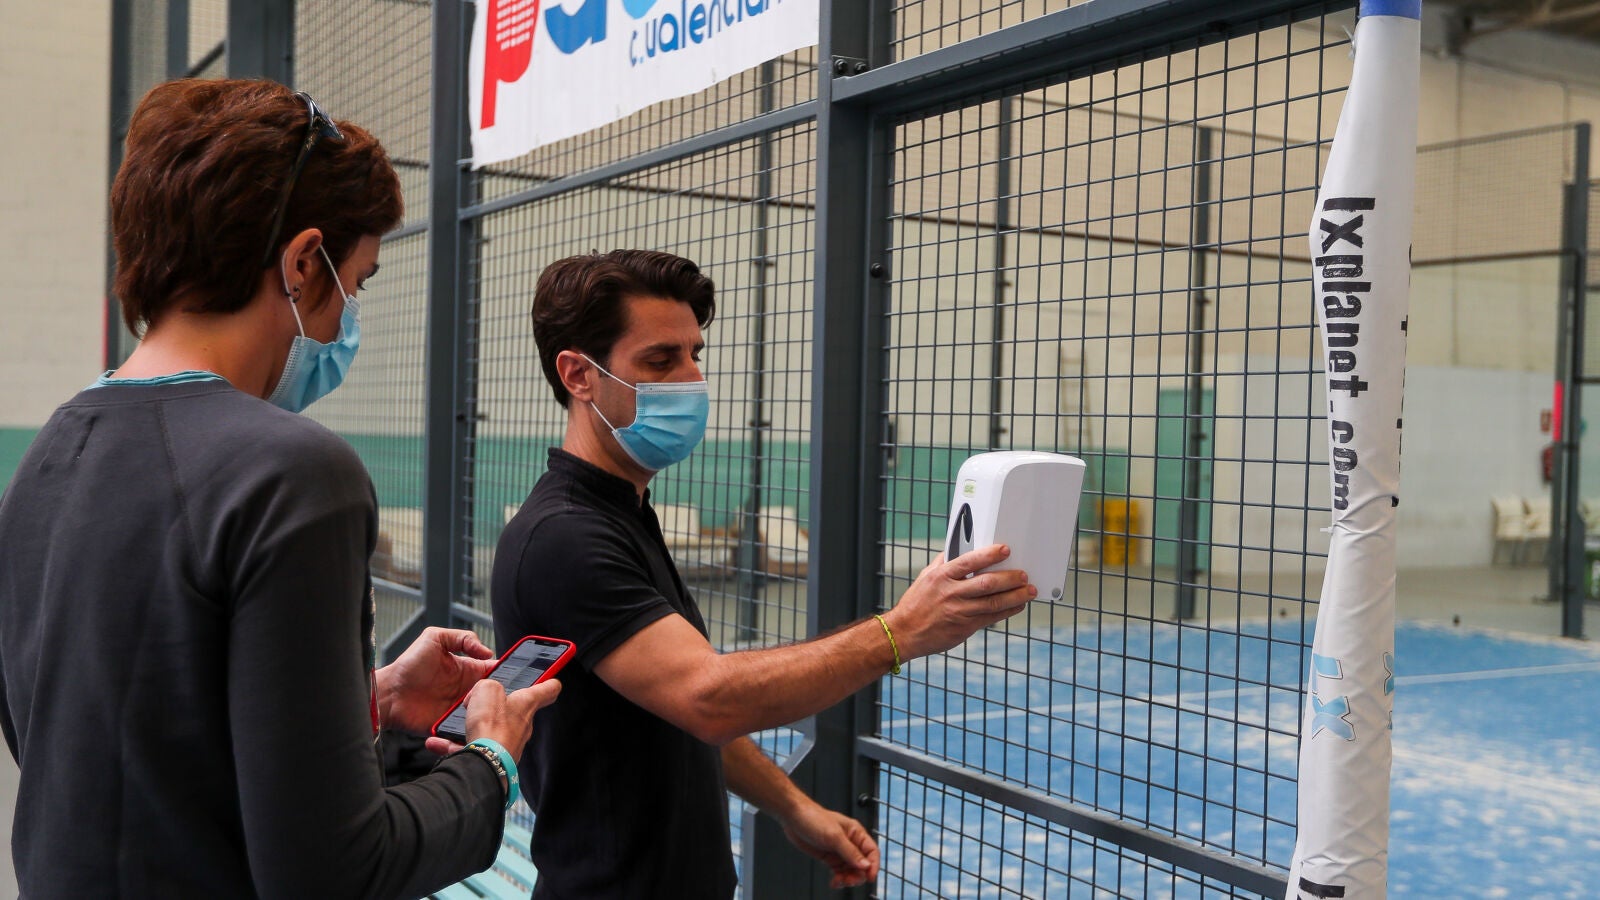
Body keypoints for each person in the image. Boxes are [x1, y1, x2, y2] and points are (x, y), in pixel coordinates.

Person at [0, 79, 559, 898]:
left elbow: (115, 746)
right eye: (355, 283)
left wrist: (368, 697)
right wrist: (490, 763)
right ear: (302, 263)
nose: (347, 318)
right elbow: (336, 870)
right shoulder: (291, 475)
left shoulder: (50, 455)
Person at [492, 249, 1038, 898]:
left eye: (695, 354)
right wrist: (903, 629)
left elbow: (675, 708)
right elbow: (709, 697)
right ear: (579, 375)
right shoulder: (566, 537)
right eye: (661, 361)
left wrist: (793, 806)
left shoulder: (622, 514)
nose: (692, 380)